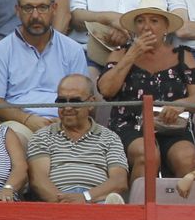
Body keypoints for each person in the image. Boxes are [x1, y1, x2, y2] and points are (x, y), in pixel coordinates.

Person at [96, 0, 195, 182]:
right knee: (147, 155)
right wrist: (132, 54)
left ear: (165, 27)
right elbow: (106, 90)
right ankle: (140, 208)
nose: (146, 27)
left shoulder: (182, 54)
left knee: (186, 156)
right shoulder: (121, 53)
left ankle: (181, 210)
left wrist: (179, 105)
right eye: (140, 21)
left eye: (154, 21)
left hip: (171, 124)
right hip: (130, 124)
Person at [0, 0, 89, 141]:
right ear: (17, 10)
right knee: (13, 138)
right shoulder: (0, 51)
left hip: (66, 119)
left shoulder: (73, 49)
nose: (35, 15)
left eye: (42, 7)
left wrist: (64, 120)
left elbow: (83, 96)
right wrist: (27, 119)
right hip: (19, 122)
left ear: (54, 9)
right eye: (28, 8)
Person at [24, 73, 128, 204]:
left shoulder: (110, 137)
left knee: (107, 204)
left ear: (91, 103)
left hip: (96, 199)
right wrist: (68, 203)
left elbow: (119, 181)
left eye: (75, 102)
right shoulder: (42, 136)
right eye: (61, 102)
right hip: (58, 202)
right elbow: (38, 180)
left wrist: (85, 197)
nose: (67, 108)